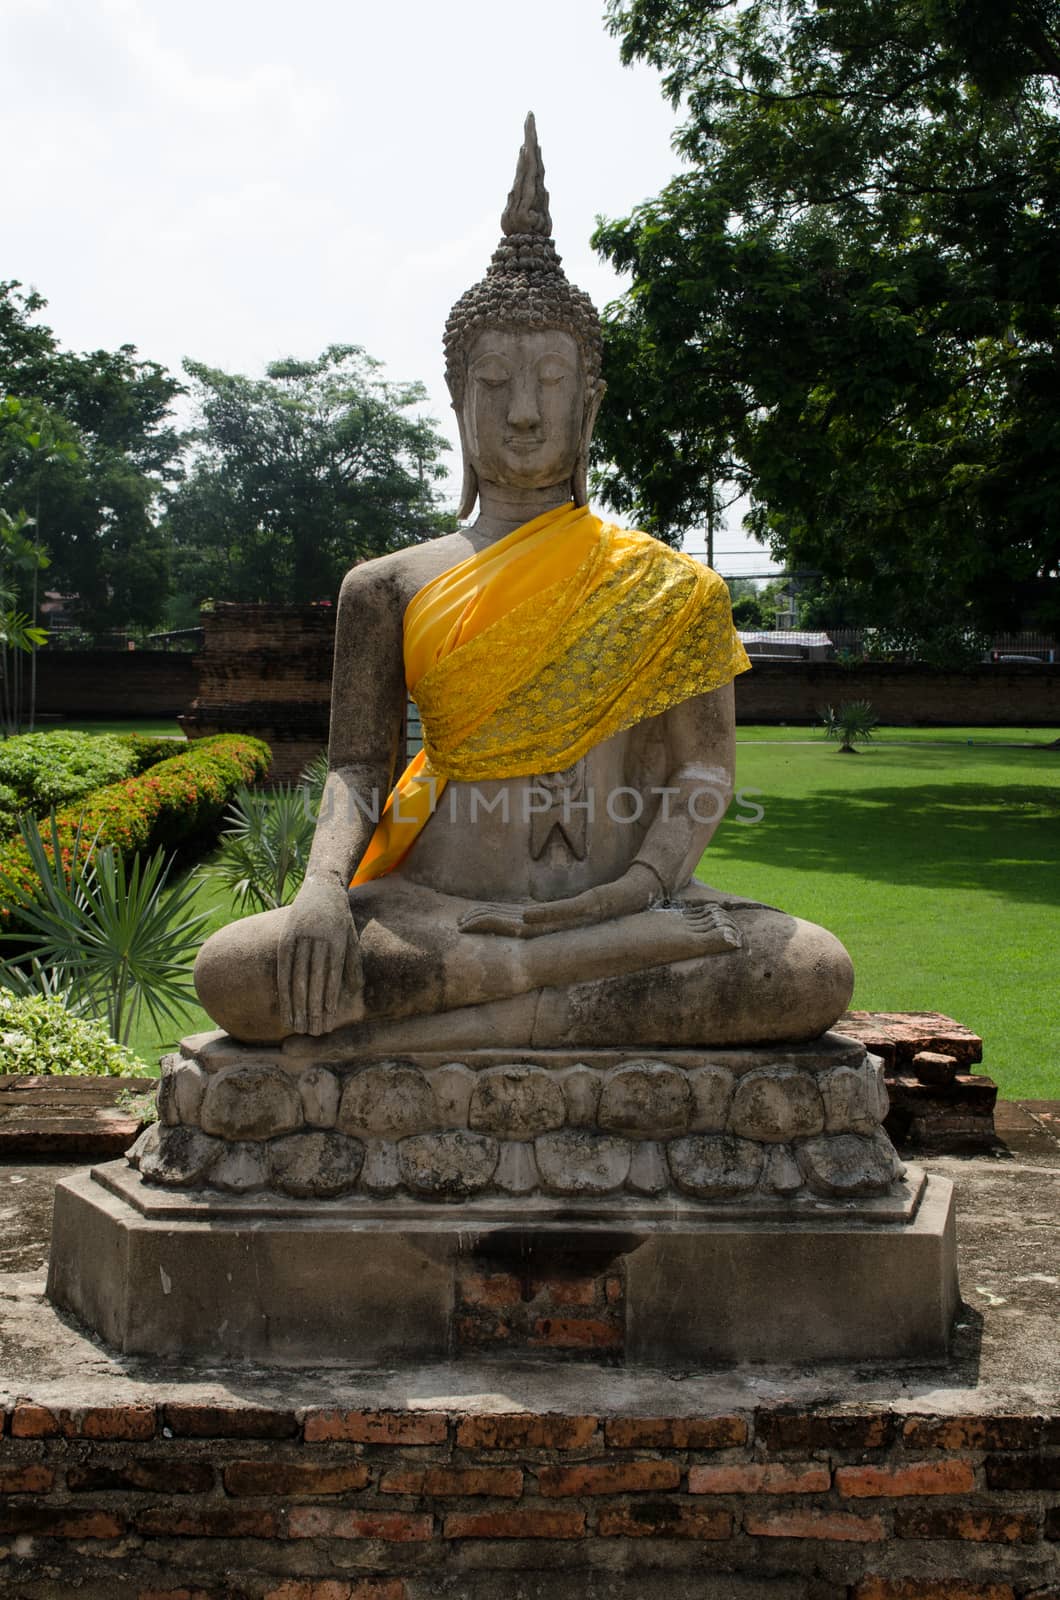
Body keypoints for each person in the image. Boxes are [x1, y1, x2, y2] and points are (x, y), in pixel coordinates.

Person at [195, 116, 853, 1051]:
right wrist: (318, 895)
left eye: (552, 379)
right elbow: (357, 767)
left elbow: (705, 770)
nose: (526, 411)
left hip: (636, 908)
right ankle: (547, 990)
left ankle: (468, 1013)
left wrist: (635, 892)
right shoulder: (386, 585)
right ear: (457, 400)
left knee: (808, 970)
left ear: (590, 401)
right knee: (239, 973)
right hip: (440, 906)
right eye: (495, 382)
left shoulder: (674, 589)